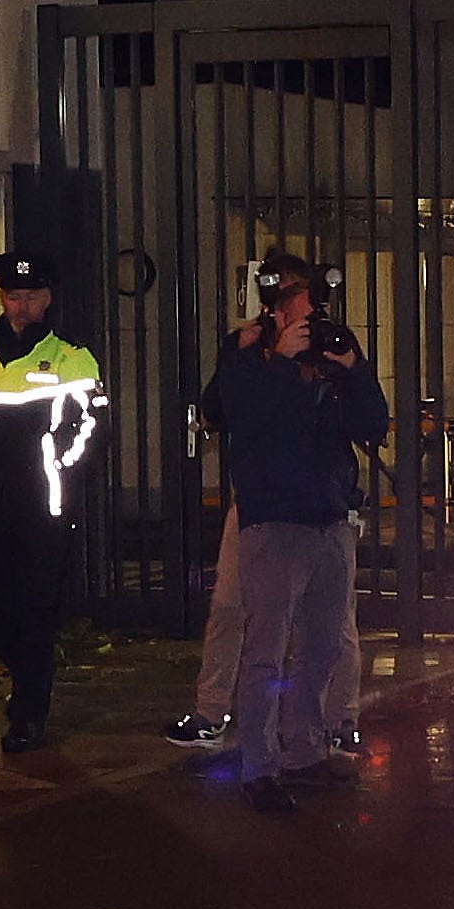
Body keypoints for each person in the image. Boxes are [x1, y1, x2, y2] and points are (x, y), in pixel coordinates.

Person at [211, 261, 389, 813]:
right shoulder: (247, 361)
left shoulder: (332, 357)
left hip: (329, 519)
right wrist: (283, 365)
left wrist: (354, 369)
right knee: (266, 646)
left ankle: (305, 749)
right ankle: (258, 765)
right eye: (303, 302)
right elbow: (232, 416)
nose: (313, 313)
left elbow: (373, 425)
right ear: (279, 306)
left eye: (316, 301)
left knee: (322, 646)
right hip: (274, 522)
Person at [170, 254, 361, 753]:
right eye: (274, 294)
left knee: (333, 622)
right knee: (233, 605)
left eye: (295, 291)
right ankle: (213, 713)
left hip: (325, 500)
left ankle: (338, 720)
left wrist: (344, 369)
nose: (287, 303)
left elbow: (367, 416)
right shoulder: (249, 345)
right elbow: (220, 409)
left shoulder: (332, 340)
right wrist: (262, 354)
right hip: (261, 500)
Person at [0, 251, 107, 754]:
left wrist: (61, 466)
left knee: (34, 610)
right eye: (13, 296)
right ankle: (31, 677)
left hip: (45, 510)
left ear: (47, 299)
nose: (21, 306)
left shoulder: (73, 357)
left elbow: (94, 428)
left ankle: (29, 712)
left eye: (30, 296)